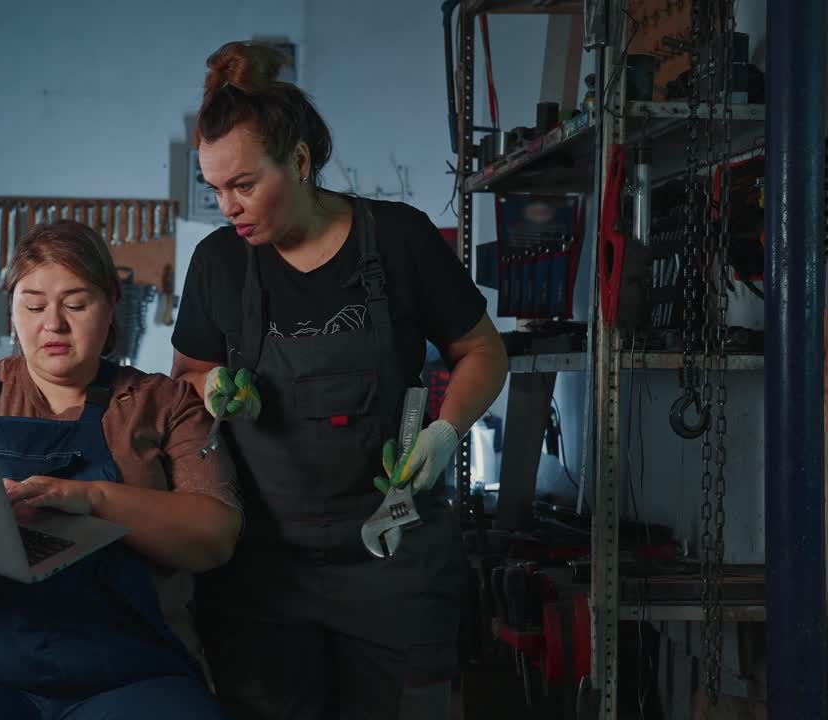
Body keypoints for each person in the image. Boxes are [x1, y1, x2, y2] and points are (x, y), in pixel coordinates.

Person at [170, 41, 509, 719]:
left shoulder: (401, 240)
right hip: (261, 572)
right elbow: (186, 371)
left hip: (394, 561)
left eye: (243, 184)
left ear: (298, 162)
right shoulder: (218, 263)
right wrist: (210, 388)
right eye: (214, 189)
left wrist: (445, 433)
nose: (227, 206)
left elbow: (482, 351)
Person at [0, 220, 243, 720]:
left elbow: (214, 536)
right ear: (13, 312)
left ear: (110, 307)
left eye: (77, 305)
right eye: (34, 305)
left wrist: (92, 499)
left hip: (131, 670)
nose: (53, 325)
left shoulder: (163, 403)